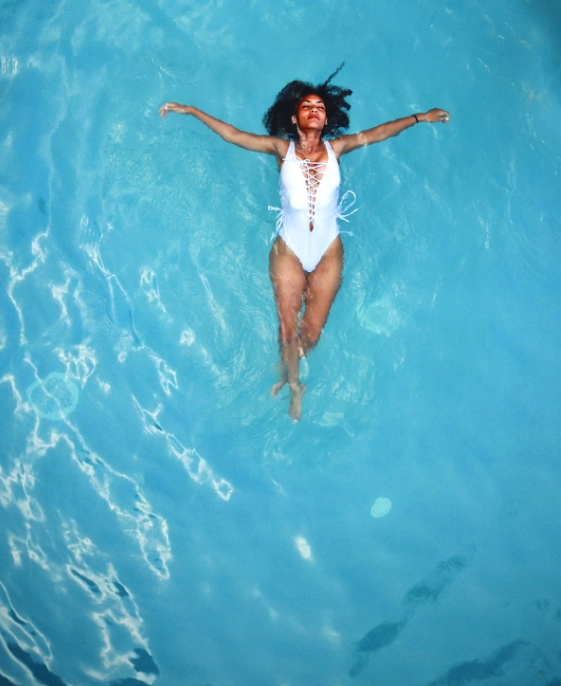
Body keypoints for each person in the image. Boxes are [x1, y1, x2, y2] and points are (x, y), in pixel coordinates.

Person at [160, 68, 449, 421]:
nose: (314, 109)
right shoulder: (281, 149)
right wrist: (191, 110)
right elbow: (233, 135)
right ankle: (295, 387)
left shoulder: (337, 147)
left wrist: (421, 117)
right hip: (290, 250)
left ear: (326, 119)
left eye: (320, 107)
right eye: (307, 105)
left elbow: (380, 132)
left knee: (310, 333)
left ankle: (290, 366)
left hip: (328, 249)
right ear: (295, 118)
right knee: (286, 327)